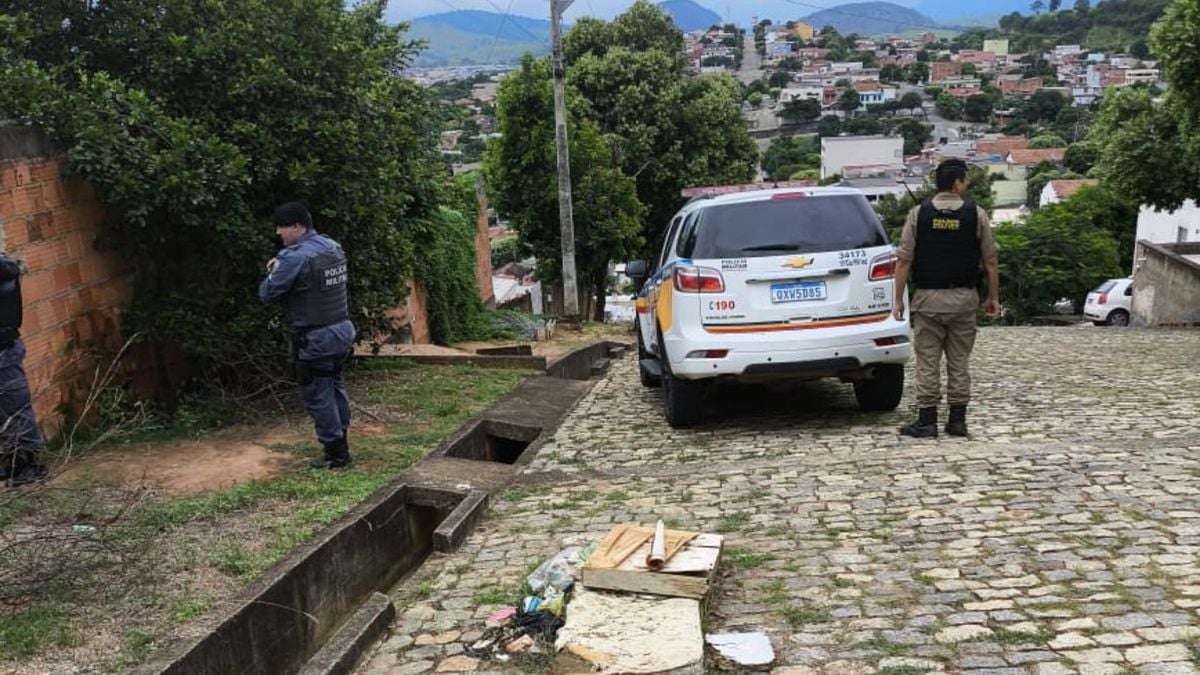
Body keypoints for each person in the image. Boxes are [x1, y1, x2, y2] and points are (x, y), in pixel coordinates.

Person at [892, 159, 1000, 438]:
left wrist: (898, 301)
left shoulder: (918, 214)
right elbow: (990, 261)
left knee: (928, 361)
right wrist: (993, 298)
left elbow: (903, 261)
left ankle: (927, 420)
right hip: (964, 300)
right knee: (959, 361)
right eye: (965, 180)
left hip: (928, 300)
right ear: (957, 184)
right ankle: (957, 420)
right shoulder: (977, 214)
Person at [259, 202, 356, 469]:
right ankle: (341, 441)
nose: (278, 232)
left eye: (282, 226)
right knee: (335, 384)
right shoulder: (332, 247)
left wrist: (273, 269)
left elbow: (267, 294)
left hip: (316, 337)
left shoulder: (293, 257)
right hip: (342, 330)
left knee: (318, 393)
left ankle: (336, 454)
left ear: (297, 227)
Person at [0, 253, 48, 487]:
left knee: (15, 405)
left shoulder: (5, 268)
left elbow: (10, 268)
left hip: (4, 350)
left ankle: (30, 463)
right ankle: (12, 461)